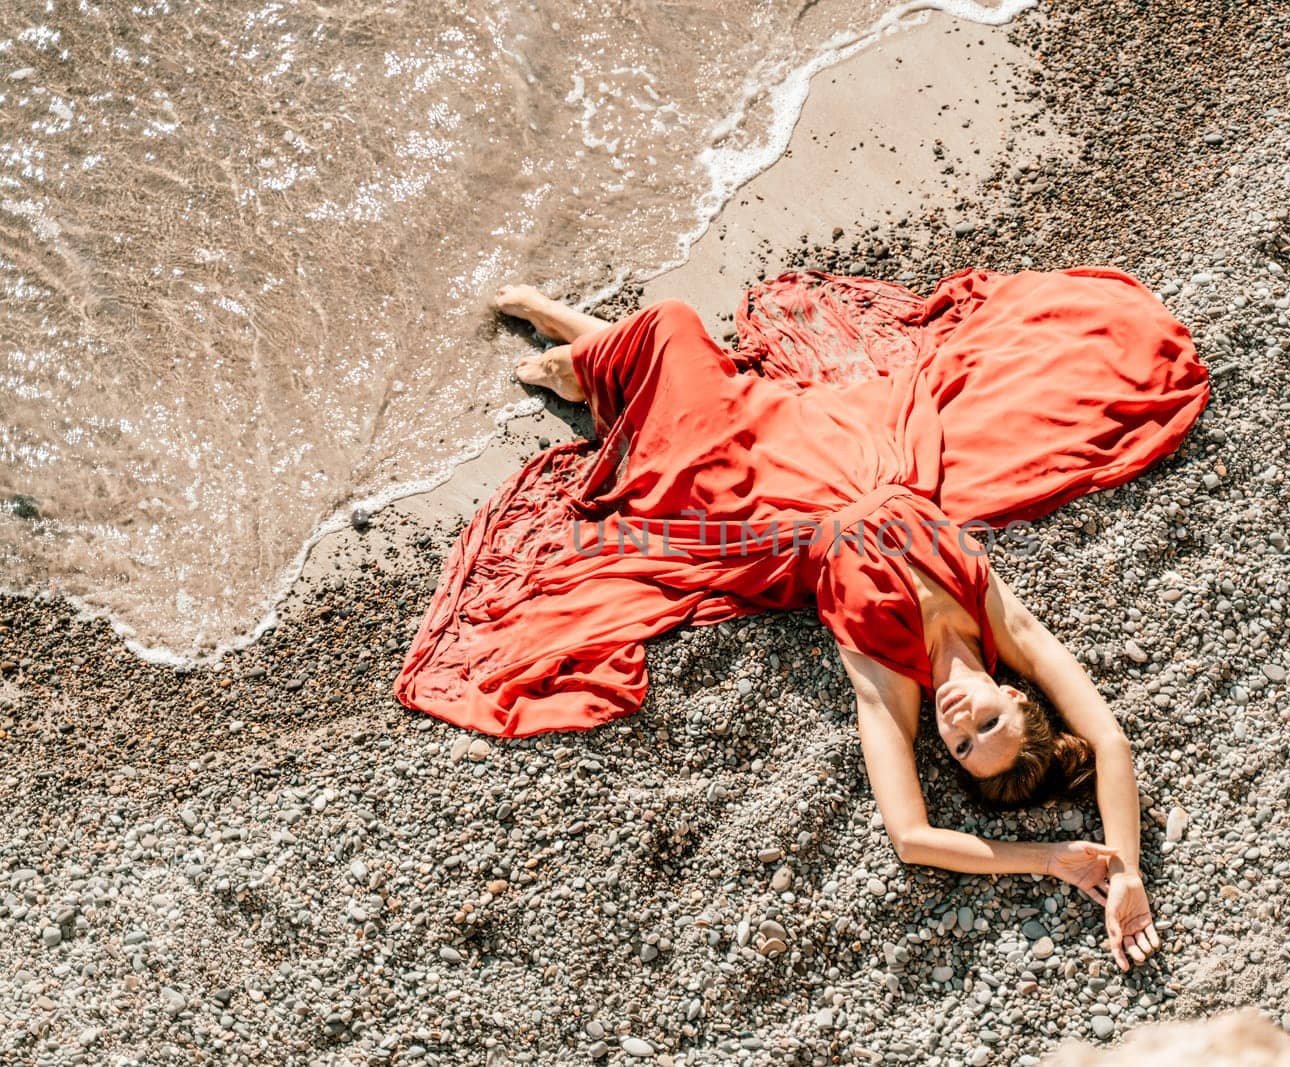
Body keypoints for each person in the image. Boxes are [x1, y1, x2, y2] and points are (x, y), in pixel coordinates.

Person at [430, 277, 1201, 971]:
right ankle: (589, 367)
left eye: (959, 748)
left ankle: (586, 367)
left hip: (766, 500)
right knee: (688, 349)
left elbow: (912, 836)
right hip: (853, 450)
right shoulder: (1002, 619)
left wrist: (1048, 859)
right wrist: (1127, 866)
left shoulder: (890, 680)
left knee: (671, 329)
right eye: (990, 721)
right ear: (1019, 695)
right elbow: (1110, 740)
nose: (961, 724)